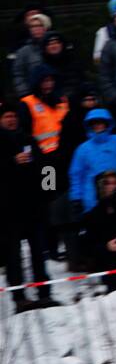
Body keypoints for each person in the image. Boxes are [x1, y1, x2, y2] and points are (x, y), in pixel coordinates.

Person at [0, 101, 53, 309]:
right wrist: (12, 162)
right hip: (7, 208)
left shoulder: (28, 139)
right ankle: (18, 297)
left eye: (13, 116)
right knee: (13, 254)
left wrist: (49, 191)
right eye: (7, 117)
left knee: (39, 250)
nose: (11, 119)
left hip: (33, 206)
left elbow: (48, 167)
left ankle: (45, 293)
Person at [67, 107, 116, 218]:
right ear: (90, 125)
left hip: (115, 191)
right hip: (91, 196)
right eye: (94, 123)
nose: (97, 126)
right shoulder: (83, 149)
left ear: (107, 123)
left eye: (100, 123)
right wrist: (76, 198)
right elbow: (76, 175)